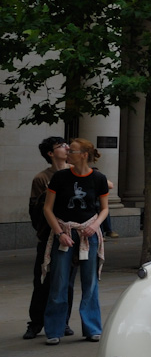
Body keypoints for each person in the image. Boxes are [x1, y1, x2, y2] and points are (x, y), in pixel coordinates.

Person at [41, 138, 109, 345]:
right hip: (65, 232)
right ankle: (54, 330)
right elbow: (47, 208)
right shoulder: (60, 177)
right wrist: (60, 232)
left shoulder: (98, 178)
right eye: (68, 150)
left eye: (72, 150)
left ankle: (92, 329)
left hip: (88, 233)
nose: (68, 152)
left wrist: (95, 225)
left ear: (84, 155)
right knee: (59, 282)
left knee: (90, 284)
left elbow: (105, 208)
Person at [24, 137, 76, 340]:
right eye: (61, 146)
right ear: (50, 153)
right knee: (42, 280)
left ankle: (63, 321)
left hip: (71, 235)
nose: (66, 148)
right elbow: (35, 211)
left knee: (67, 282)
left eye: (67, 145)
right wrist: (44, 232)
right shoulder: (41, 178)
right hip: (48, 236)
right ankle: (36, 322)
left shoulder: (76, 173)